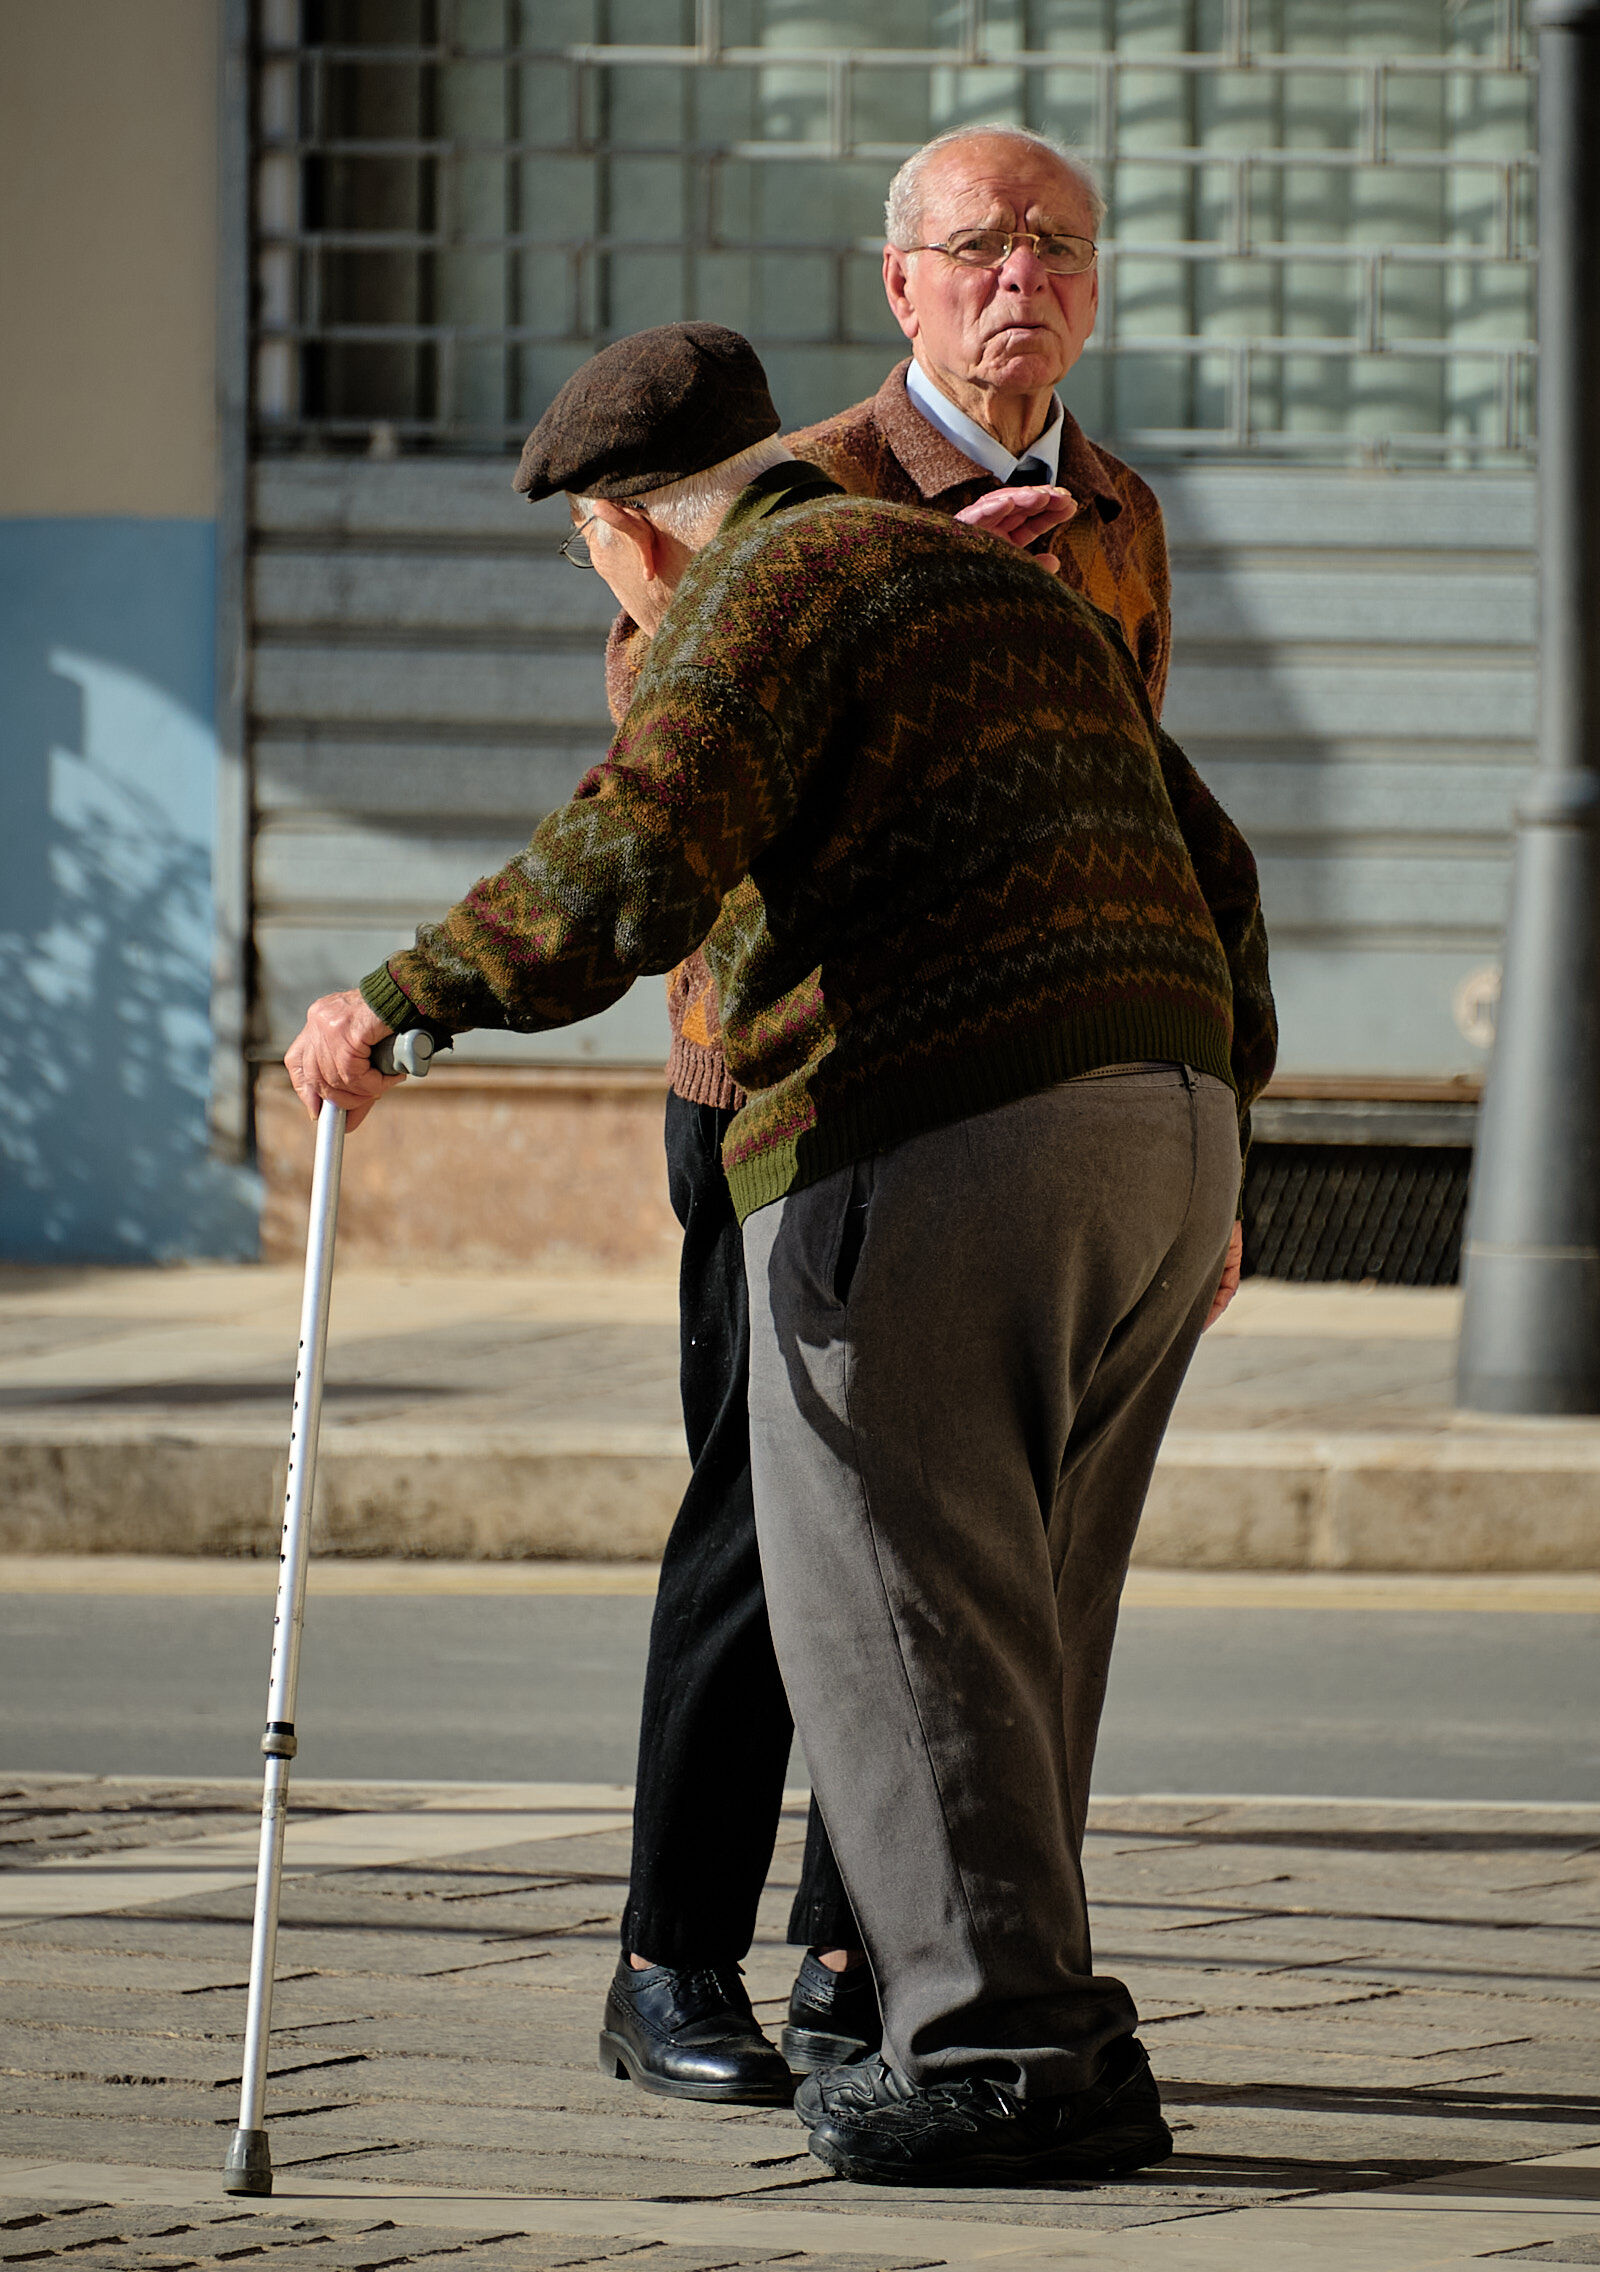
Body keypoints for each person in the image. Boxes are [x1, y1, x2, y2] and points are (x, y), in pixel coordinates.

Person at [287, 320, 1276, 2184]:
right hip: (1164, 1124)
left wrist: (398, 1004)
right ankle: (1057, 2042)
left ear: (626, 528)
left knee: (890, 1611)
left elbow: (638, 852)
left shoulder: (765, 583)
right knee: (1028, 1613)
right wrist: (1219, 1132)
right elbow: (1218, 869)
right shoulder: (992, 579)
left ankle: (994, 2060)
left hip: (936, 1135)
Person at [604, 123, 1242, 2103]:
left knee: (955, 1556)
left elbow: (1142, 809)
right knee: (765, 1532)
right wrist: (918, 614)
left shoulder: (1118, 510)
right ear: (900, 285)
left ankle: (855, 1956)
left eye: (1055, 247)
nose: (1015, 279)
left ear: (1095, 286)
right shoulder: (798, 489)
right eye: (975, 246)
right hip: (792, 1091)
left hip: (1024, 1109)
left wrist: (1199, 1145)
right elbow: (662, 759)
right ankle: (668, 1961)